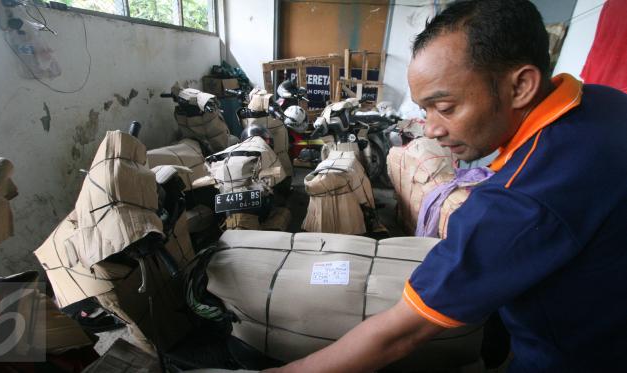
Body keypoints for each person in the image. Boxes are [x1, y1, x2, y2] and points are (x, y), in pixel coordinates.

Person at [267, 0, 627, 372]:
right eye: (425, 110)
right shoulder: (605, 102)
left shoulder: (517, 204)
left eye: (446, 107)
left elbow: (400, 334)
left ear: (520, 85)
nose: (432, 129)